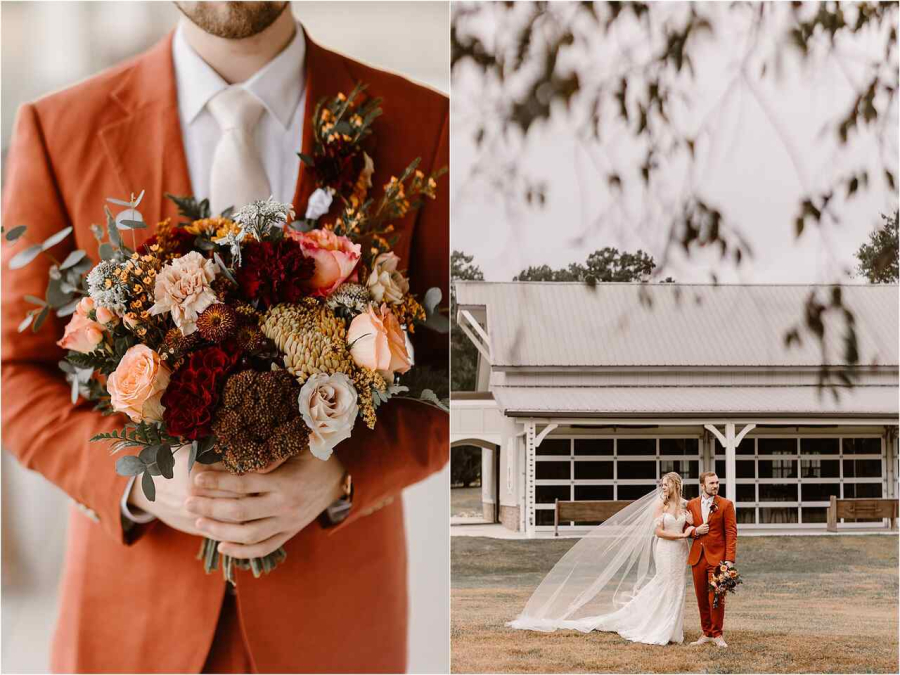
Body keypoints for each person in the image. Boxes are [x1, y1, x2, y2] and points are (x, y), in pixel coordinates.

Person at [1, 2, 448, 672]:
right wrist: (139, 484)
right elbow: (15, 371)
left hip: (333, 626)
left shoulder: (420, 125)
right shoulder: (59, 128)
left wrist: (341, 477)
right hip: (135, 624)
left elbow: (458, 375)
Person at [507, 472, 695, 646]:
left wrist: (690, 524)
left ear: (676, 485)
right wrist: (682, 535)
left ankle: (673, 630)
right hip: (666, 550)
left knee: (677, 586)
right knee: (664, 583)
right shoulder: (660, 505)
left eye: (666, 485)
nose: (663, 488)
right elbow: (659, 532)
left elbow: (692, 524)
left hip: (680, 552)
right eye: (661, 485)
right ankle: (657, 625)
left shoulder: (685, 505)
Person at [685, 472, 738, 648]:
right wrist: (694, 531)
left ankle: (717, 634)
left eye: (717, 483)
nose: (715, 486)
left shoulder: (726, 504)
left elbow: (731, 532)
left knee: (716, 597)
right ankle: (706, 632)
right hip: (698, 558)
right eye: (711, 483)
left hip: (718, 559)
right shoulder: (692, 505)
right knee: (701, 598)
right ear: (702, 485)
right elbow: (686, 528)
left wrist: (729, 559)